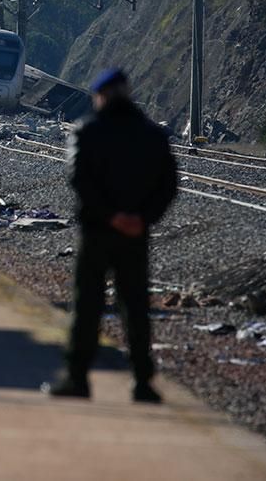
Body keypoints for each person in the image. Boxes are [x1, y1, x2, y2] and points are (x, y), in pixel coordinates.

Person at [44, 68, 177, 402]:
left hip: (96, 232)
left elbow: (78, 179)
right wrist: (142, 218)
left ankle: (77, 378)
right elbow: (169, 185)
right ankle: (142, 383)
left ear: (100, 96)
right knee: (134, 307)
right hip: (135, 234)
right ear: (127, 93)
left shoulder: (86, 131)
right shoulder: (153, 135)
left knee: (87, 305)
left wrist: (111, 216)